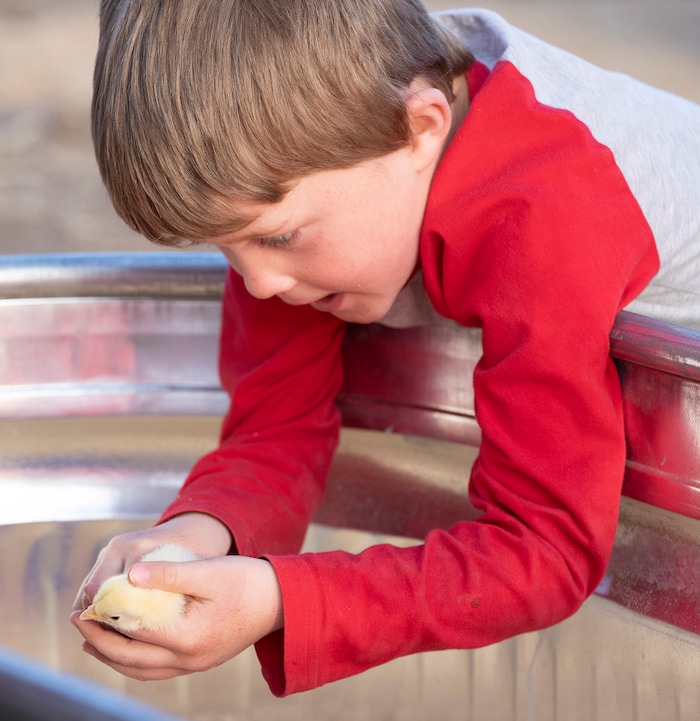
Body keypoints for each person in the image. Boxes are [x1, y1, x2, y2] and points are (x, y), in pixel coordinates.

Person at [71, 0, 700, 696]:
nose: (259, 281)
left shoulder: (544, 217)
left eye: (276, 237)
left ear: (421, 130)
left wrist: (285, 600)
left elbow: (545, 549)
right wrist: (195, 535)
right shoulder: (321, 151)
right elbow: (274, 430)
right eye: (223, 245)